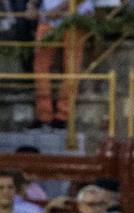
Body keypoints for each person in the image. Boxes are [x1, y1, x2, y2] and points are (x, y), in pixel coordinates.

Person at [31, 0, 91, 129]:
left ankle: (63, 115)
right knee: (40, 66)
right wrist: (31, 5)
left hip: (74, 20)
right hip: (47, 20)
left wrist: (60, 9)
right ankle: (44, 115)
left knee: (72, 67)